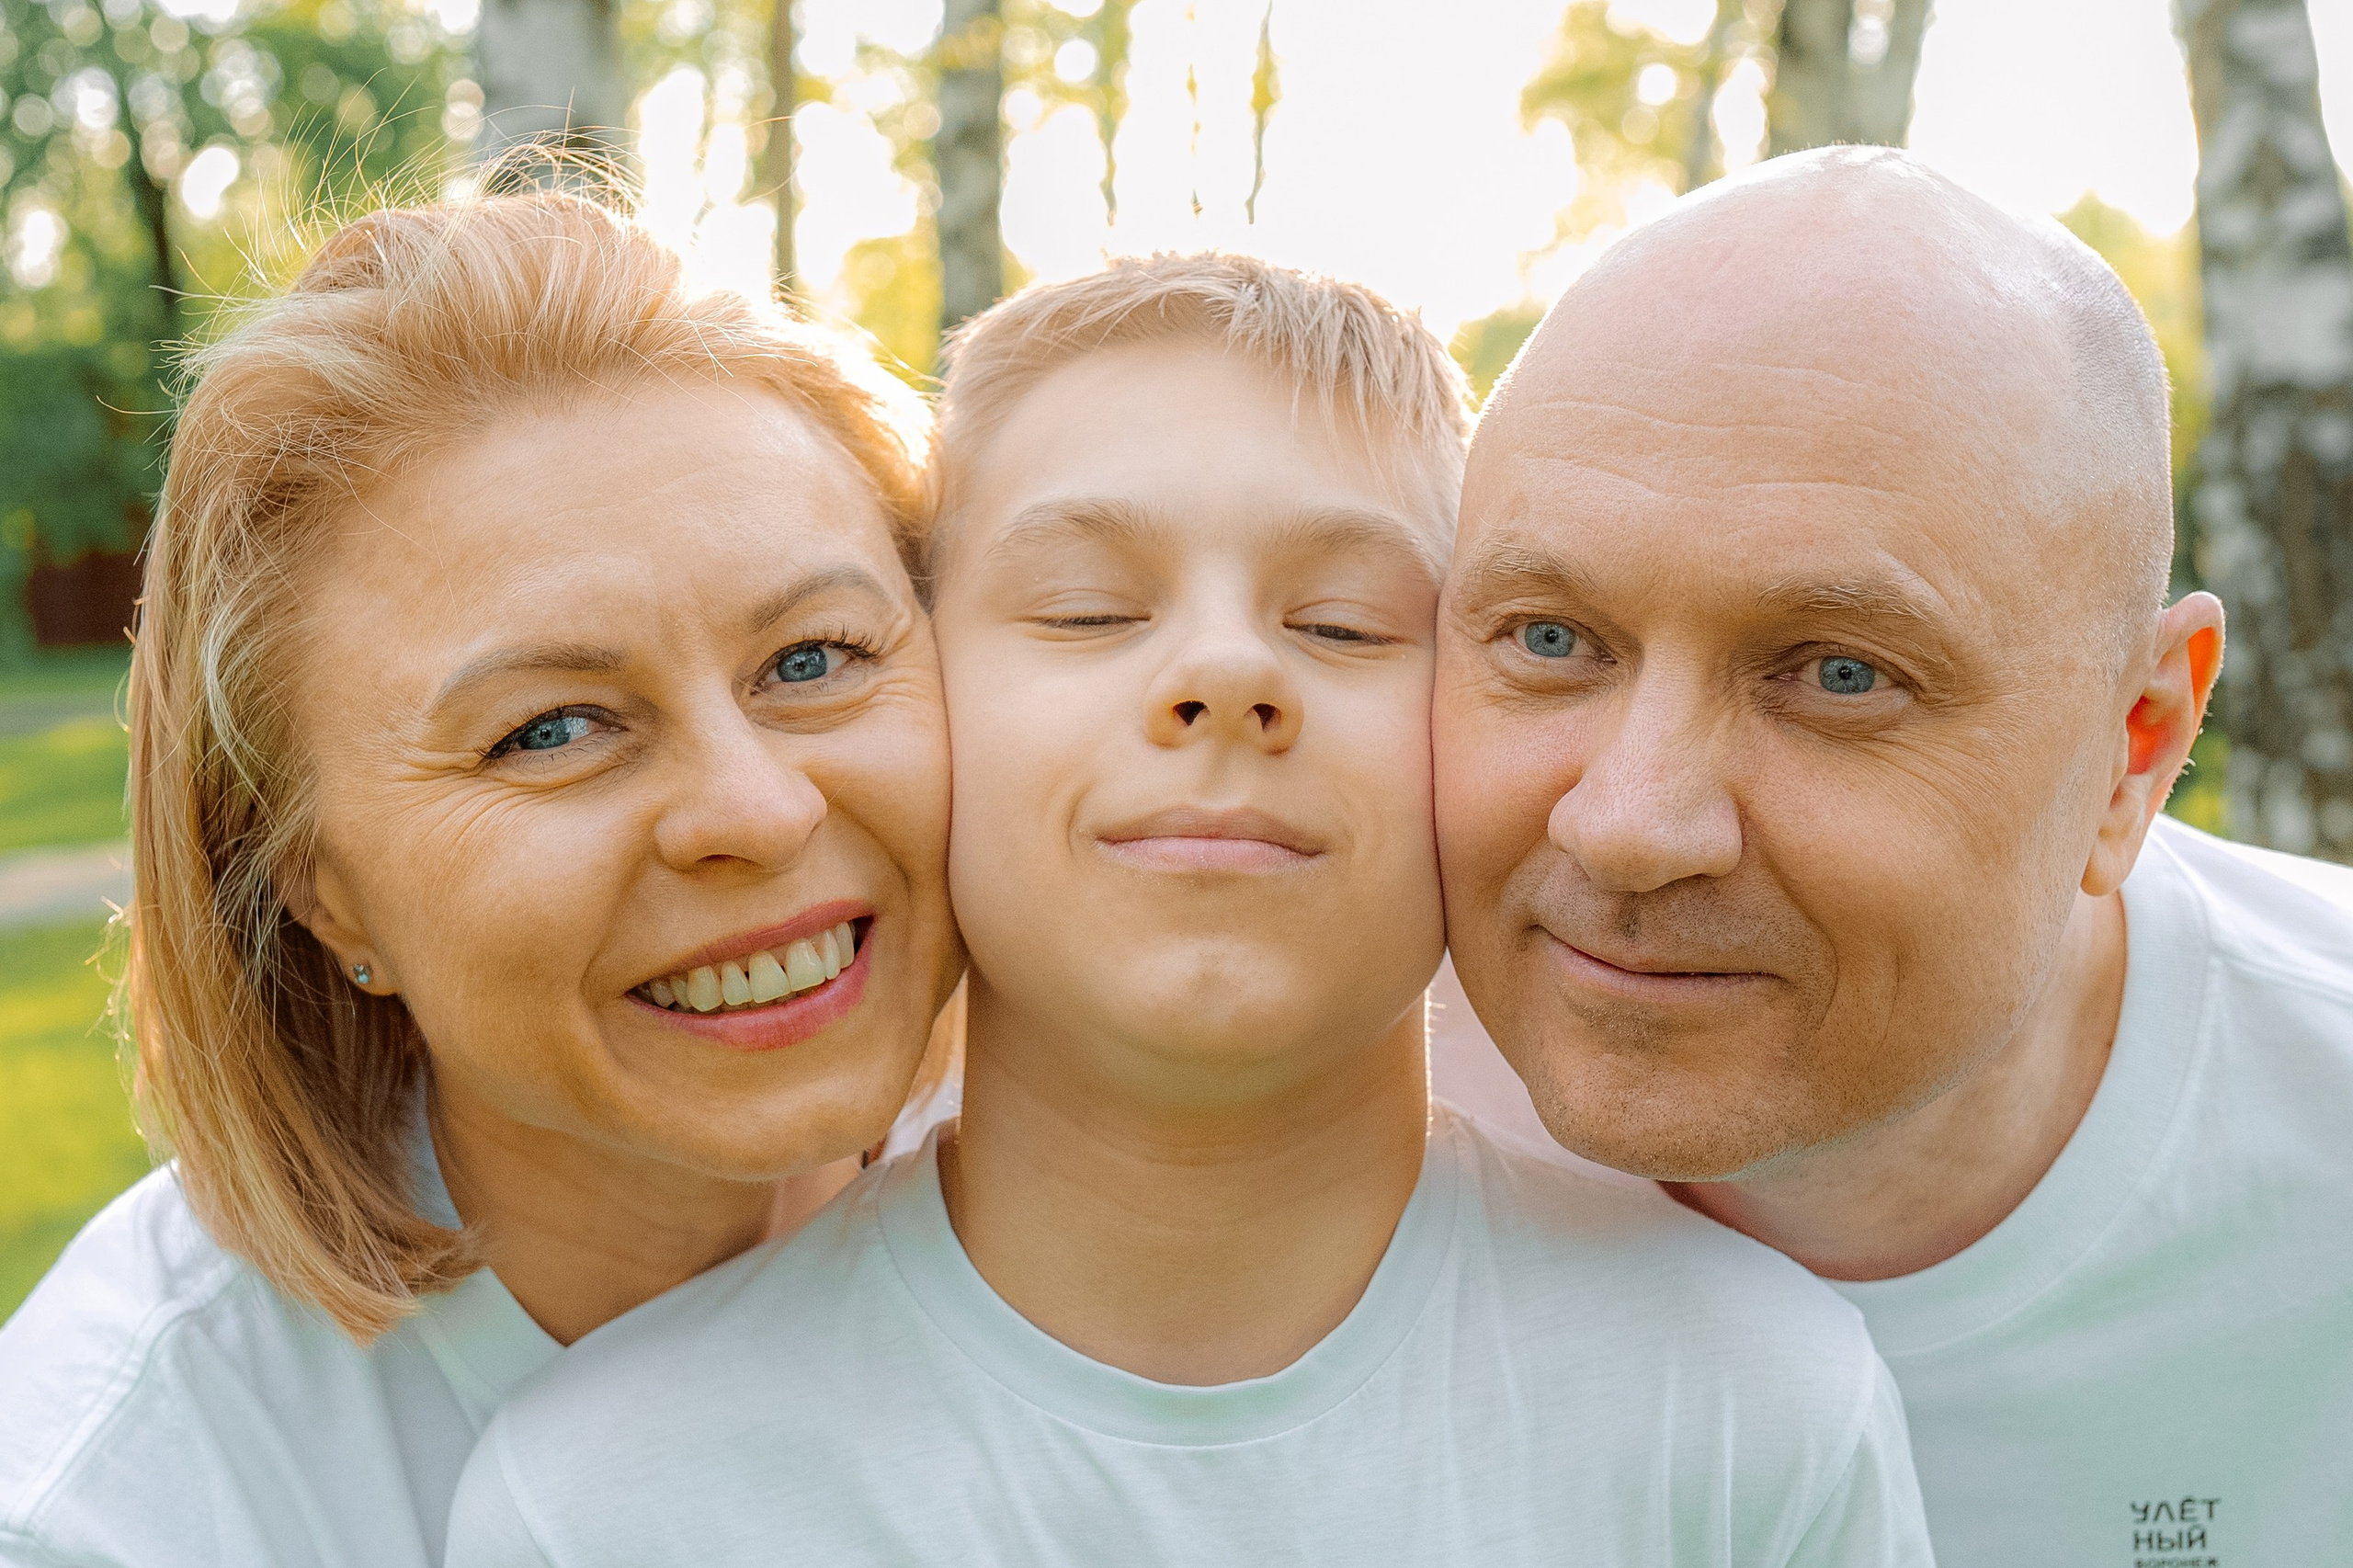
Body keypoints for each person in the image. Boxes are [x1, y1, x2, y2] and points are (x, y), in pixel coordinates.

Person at [444, 253, 1933, 1568]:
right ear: (922, 694)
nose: (1225, 672)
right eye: (1091, 608)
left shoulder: (1748, 1410)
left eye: (1345, 621)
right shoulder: (611, 1506)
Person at [0, 187, 962, 1568]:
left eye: (811, 658)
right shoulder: (114, 1510)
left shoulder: (1149, 1224)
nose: (755, 806)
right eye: (550, 729)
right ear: (322, 892)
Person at [1437, 144, 2353, 1565]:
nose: (1625, 822)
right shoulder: (1254, 1117)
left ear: (2137, 743)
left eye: (1842, 674)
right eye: (1551, 639)